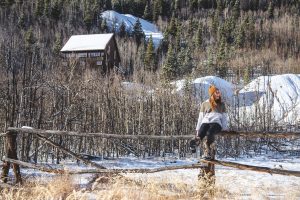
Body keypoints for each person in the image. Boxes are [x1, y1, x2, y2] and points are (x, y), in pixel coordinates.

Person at [190, 85, 228, 159]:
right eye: (216, 93)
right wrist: (198, 129)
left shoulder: (222, 104)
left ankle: (208, 152)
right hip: (206, 121)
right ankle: (193, 144)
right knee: (201, 134)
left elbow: (224, 118)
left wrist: (224, 129)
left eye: (219, 92)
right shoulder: (204, 104)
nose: (218, 94)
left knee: (209, 133)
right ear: (212, 94)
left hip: (216, 123)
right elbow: (200, 117)